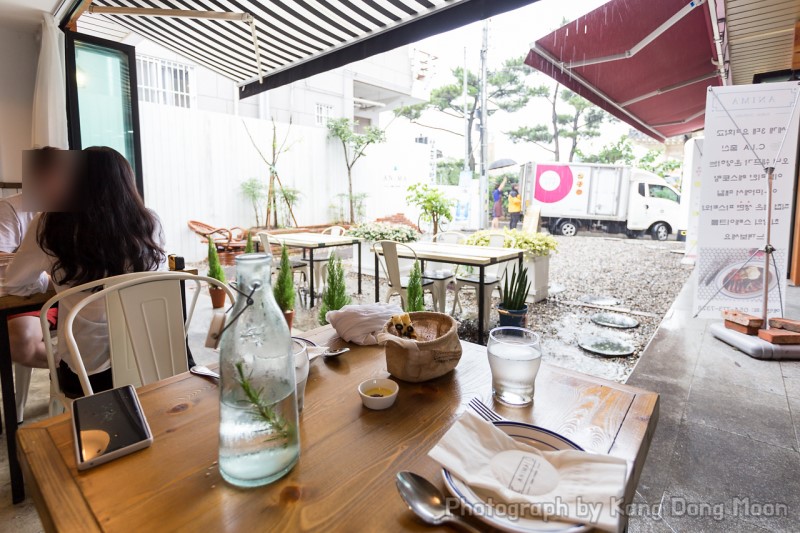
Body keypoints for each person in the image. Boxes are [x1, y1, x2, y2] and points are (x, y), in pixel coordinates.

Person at [6, 146, 165, 398]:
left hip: (90, 376)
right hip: (155, 362)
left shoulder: (52, 223)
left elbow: (14, 283)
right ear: (127, 181)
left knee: (68, 358)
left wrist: (53, 281)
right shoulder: (149, 221)